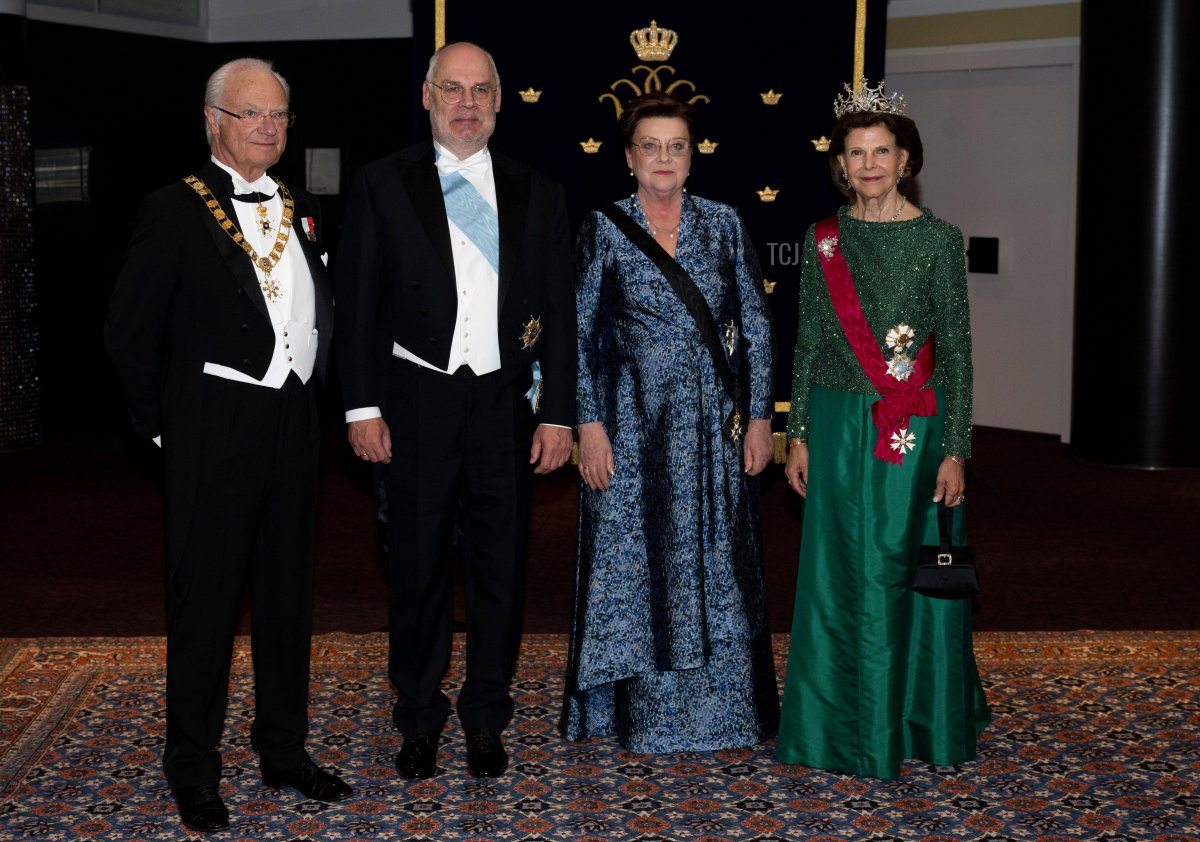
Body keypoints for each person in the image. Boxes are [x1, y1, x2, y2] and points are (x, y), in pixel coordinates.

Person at [104, 57, 352, 832]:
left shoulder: (303, 205)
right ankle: (193, 767)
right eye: (251, 113)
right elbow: (127, 332)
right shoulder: (172, 208)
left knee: (286, 599)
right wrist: (163, 428)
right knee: (206, 607)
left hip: (293, 424)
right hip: (212, 430)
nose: (268, 127)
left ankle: (283, 749)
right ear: (213, 121)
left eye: (278, 114)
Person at [334, 42, 575, 780]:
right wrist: (361, 407)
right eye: (452, 89)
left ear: (499, 100)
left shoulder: (540, 192)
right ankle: (418, 715)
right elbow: (356, 305)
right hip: (415, 402)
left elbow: (560, 315)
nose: (466, 104)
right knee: (416, 566)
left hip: (504, 404)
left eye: (479, 90)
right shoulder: (381, 183)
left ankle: (486, 715)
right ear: (428, 97)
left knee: (501, 567)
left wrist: (558, 413)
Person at [776, 79, 990, 778]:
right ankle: (835, 720)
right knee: (838, 569)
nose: (868, 165)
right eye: (856, 153)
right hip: (838, 423)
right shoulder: (823, 240)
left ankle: (909, 718)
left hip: (912, 426)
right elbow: (809, 342)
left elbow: (956, 353)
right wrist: (799, 432)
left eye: (881, 152)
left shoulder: (938, 240)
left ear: (905, 160)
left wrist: (956, 449)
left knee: (901, 567)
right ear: (840, 164)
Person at [560, 91, 779, 753]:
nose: (663, 157)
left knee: (718, 564)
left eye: (675, 146)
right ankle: (636, 714)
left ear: (692, 156)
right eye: (650, 146)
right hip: (631, 428)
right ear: (629, 157)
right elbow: (577, 337)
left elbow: (757, 327)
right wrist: (588, 427)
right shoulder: (603, 227)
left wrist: (760, 418)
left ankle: (725, 712)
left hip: (714, 430)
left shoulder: (724, 223)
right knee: (634, 571)